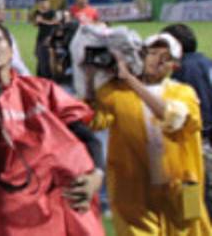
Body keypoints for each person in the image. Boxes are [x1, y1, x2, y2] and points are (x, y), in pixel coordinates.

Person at [0, 22, 105, 235]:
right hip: (15, 218)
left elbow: (88, 138)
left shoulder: (42, 90)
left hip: (65, 204)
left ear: (11, 49)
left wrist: (97, 174)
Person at [86, 33, 212, 234]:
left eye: (165, 57)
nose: (156, 60)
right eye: (151, 53)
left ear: (175, 66)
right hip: (133, 191)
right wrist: (90, 78)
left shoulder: (184, 92)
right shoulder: (116, 92)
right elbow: (91, 122)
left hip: (181, 190)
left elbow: (172, 117)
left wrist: (130, 80)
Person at [164, 23, 212, 217]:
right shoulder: (204, 61)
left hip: (199, 141)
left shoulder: (186, 69)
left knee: (193, 190)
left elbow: (199, 109)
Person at [32, 0, 64, 79]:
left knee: (48, 59)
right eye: (42, 3)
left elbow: (55, 22)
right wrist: (37, 20)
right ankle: (40, 77)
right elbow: (35, 24)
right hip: (40, 38)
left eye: (45, 3)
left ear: (49, 4)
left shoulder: (52, 12)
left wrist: (42, 21)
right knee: (39, 58)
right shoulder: (37, 12)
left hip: (50, 38)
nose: (43, 5)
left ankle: (49, 78)